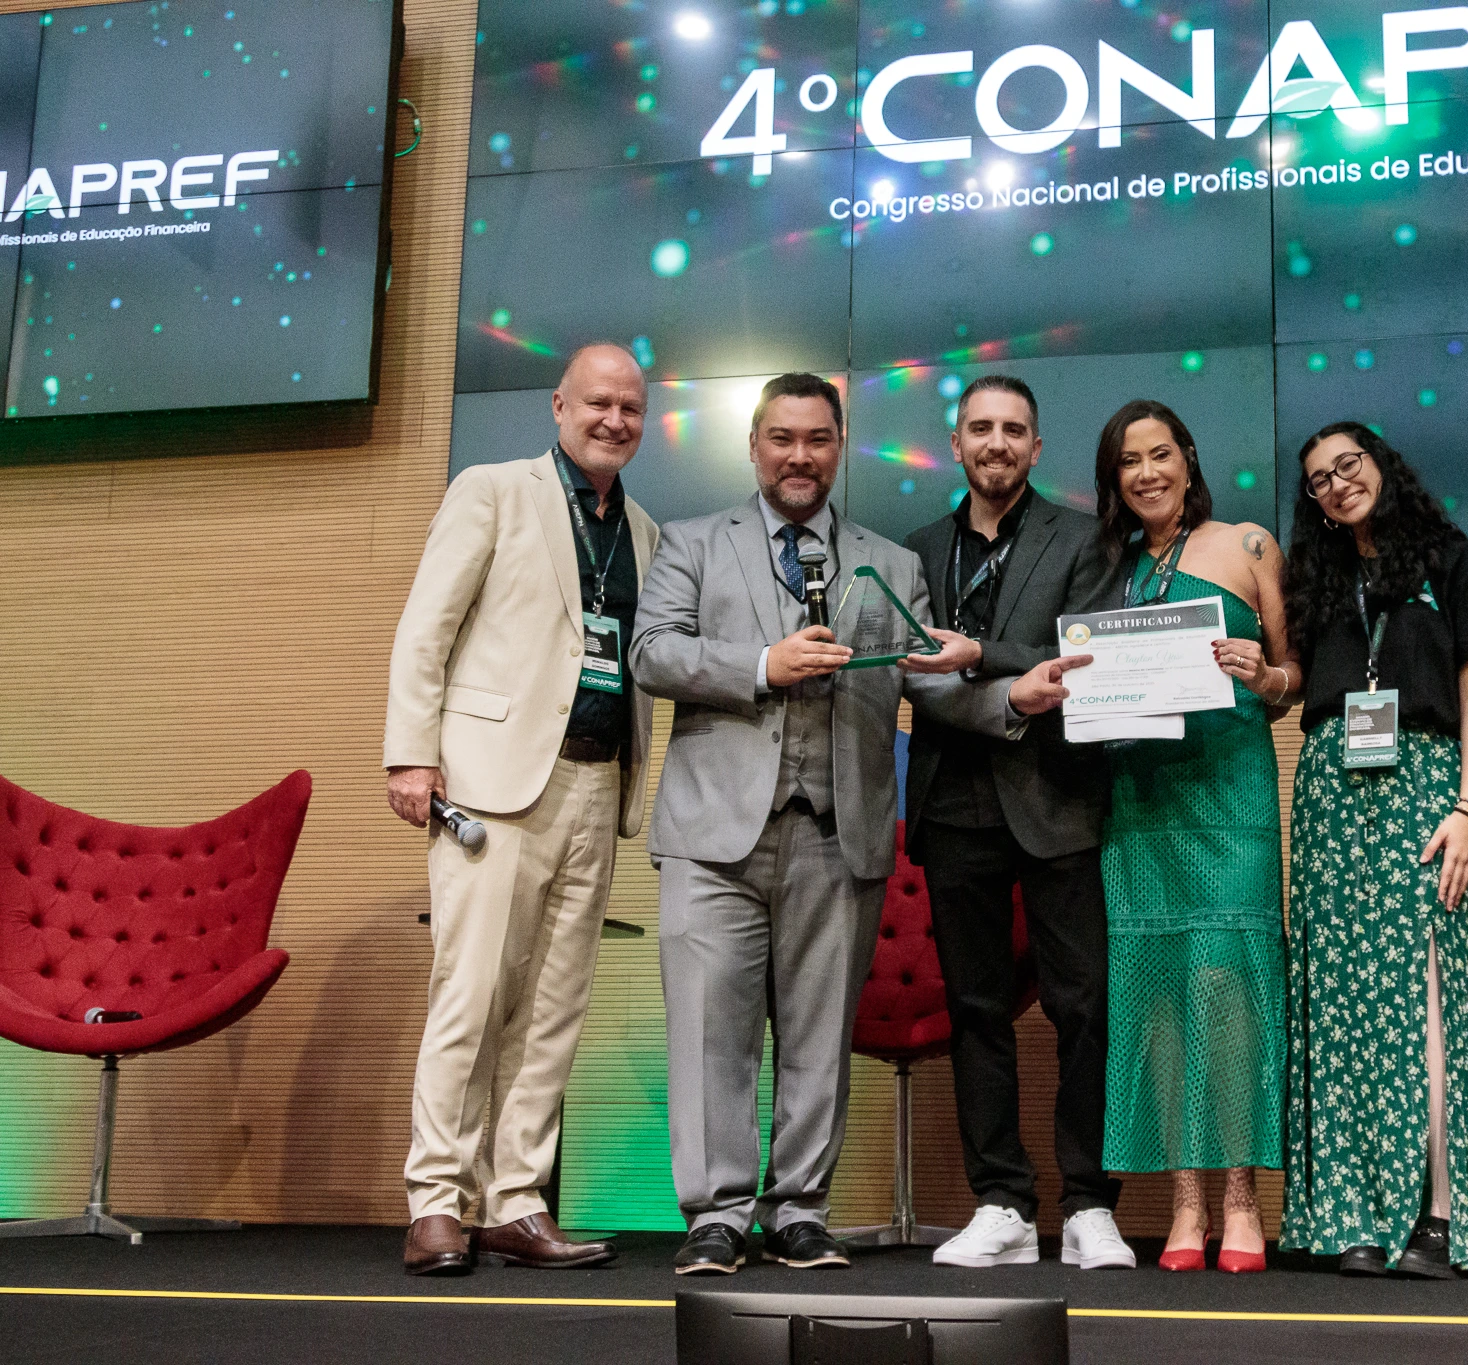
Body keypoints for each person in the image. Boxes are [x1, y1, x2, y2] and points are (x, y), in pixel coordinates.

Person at [630, 373, 1075, 1275]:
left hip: (841, 834)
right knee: (710, 1035)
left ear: (839, 448)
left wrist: (1009, 701)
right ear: (754, 447)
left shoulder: (891, 563)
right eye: (783, 438)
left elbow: (928, 685)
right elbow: (652, 652)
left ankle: (800, 1209)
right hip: (715, 836)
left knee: (819, 1037)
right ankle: (716, 1213)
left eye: (818, 439)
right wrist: (763, 662)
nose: (800, 456)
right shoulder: (691, 542)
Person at [384, 342, 660, 1276]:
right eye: (598, 402)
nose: (614, 419)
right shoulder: (493, 491)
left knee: (553, 1010)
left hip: (596, 782)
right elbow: (426, 628)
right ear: (558, 405)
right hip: (490, 787)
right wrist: (411, 753)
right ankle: (436, 1201)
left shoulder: (645, 531)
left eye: (630, 407)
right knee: (470, 996)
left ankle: (515, 1200)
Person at [901, 375, 1134, 1270]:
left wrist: (984, 654)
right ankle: (1000, 1200)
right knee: (976, 1009)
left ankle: (1088, 1205)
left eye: (1013, 430)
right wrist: (1001, 675)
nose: (996, 443)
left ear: (1036, 448)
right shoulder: (919, 550)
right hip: (951, 800)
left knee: (1084, 1004)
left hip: (1056, 796)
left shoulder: (1084, 537)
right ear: (956, 443)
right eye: (980, 428)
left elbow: (1090, 652)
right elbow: (914, 669)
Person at [1278, 421, 1468, 1279]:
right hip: (1328, 792)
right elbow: (1292, 682)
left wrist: (1467, 808)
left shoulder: (1457, 562)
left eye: (1349, 464)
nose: (1338, 483)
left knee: (1424, 996)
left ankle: (1437, 1218)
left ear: (1382, 466)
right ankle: (1347, 1217)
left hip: (1425, 787)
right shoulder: (1317, 578)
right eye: (1319, 479)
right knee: (1336, 1003)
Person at [1090, 399, 1297, 1273]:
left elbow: (1295, 673)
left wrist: (1266, 675)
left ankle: (1242, 1196)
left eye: (1160, 454)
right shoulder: (1102, 565)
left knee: (1228, 984)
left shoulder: (1248, 545)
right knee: (1163, 994)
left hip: (1230, 789)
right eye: (1129, 460)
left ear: (1188, 457)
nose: (1147, 473)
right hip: (1141, 802)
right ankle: (1184, 1201)